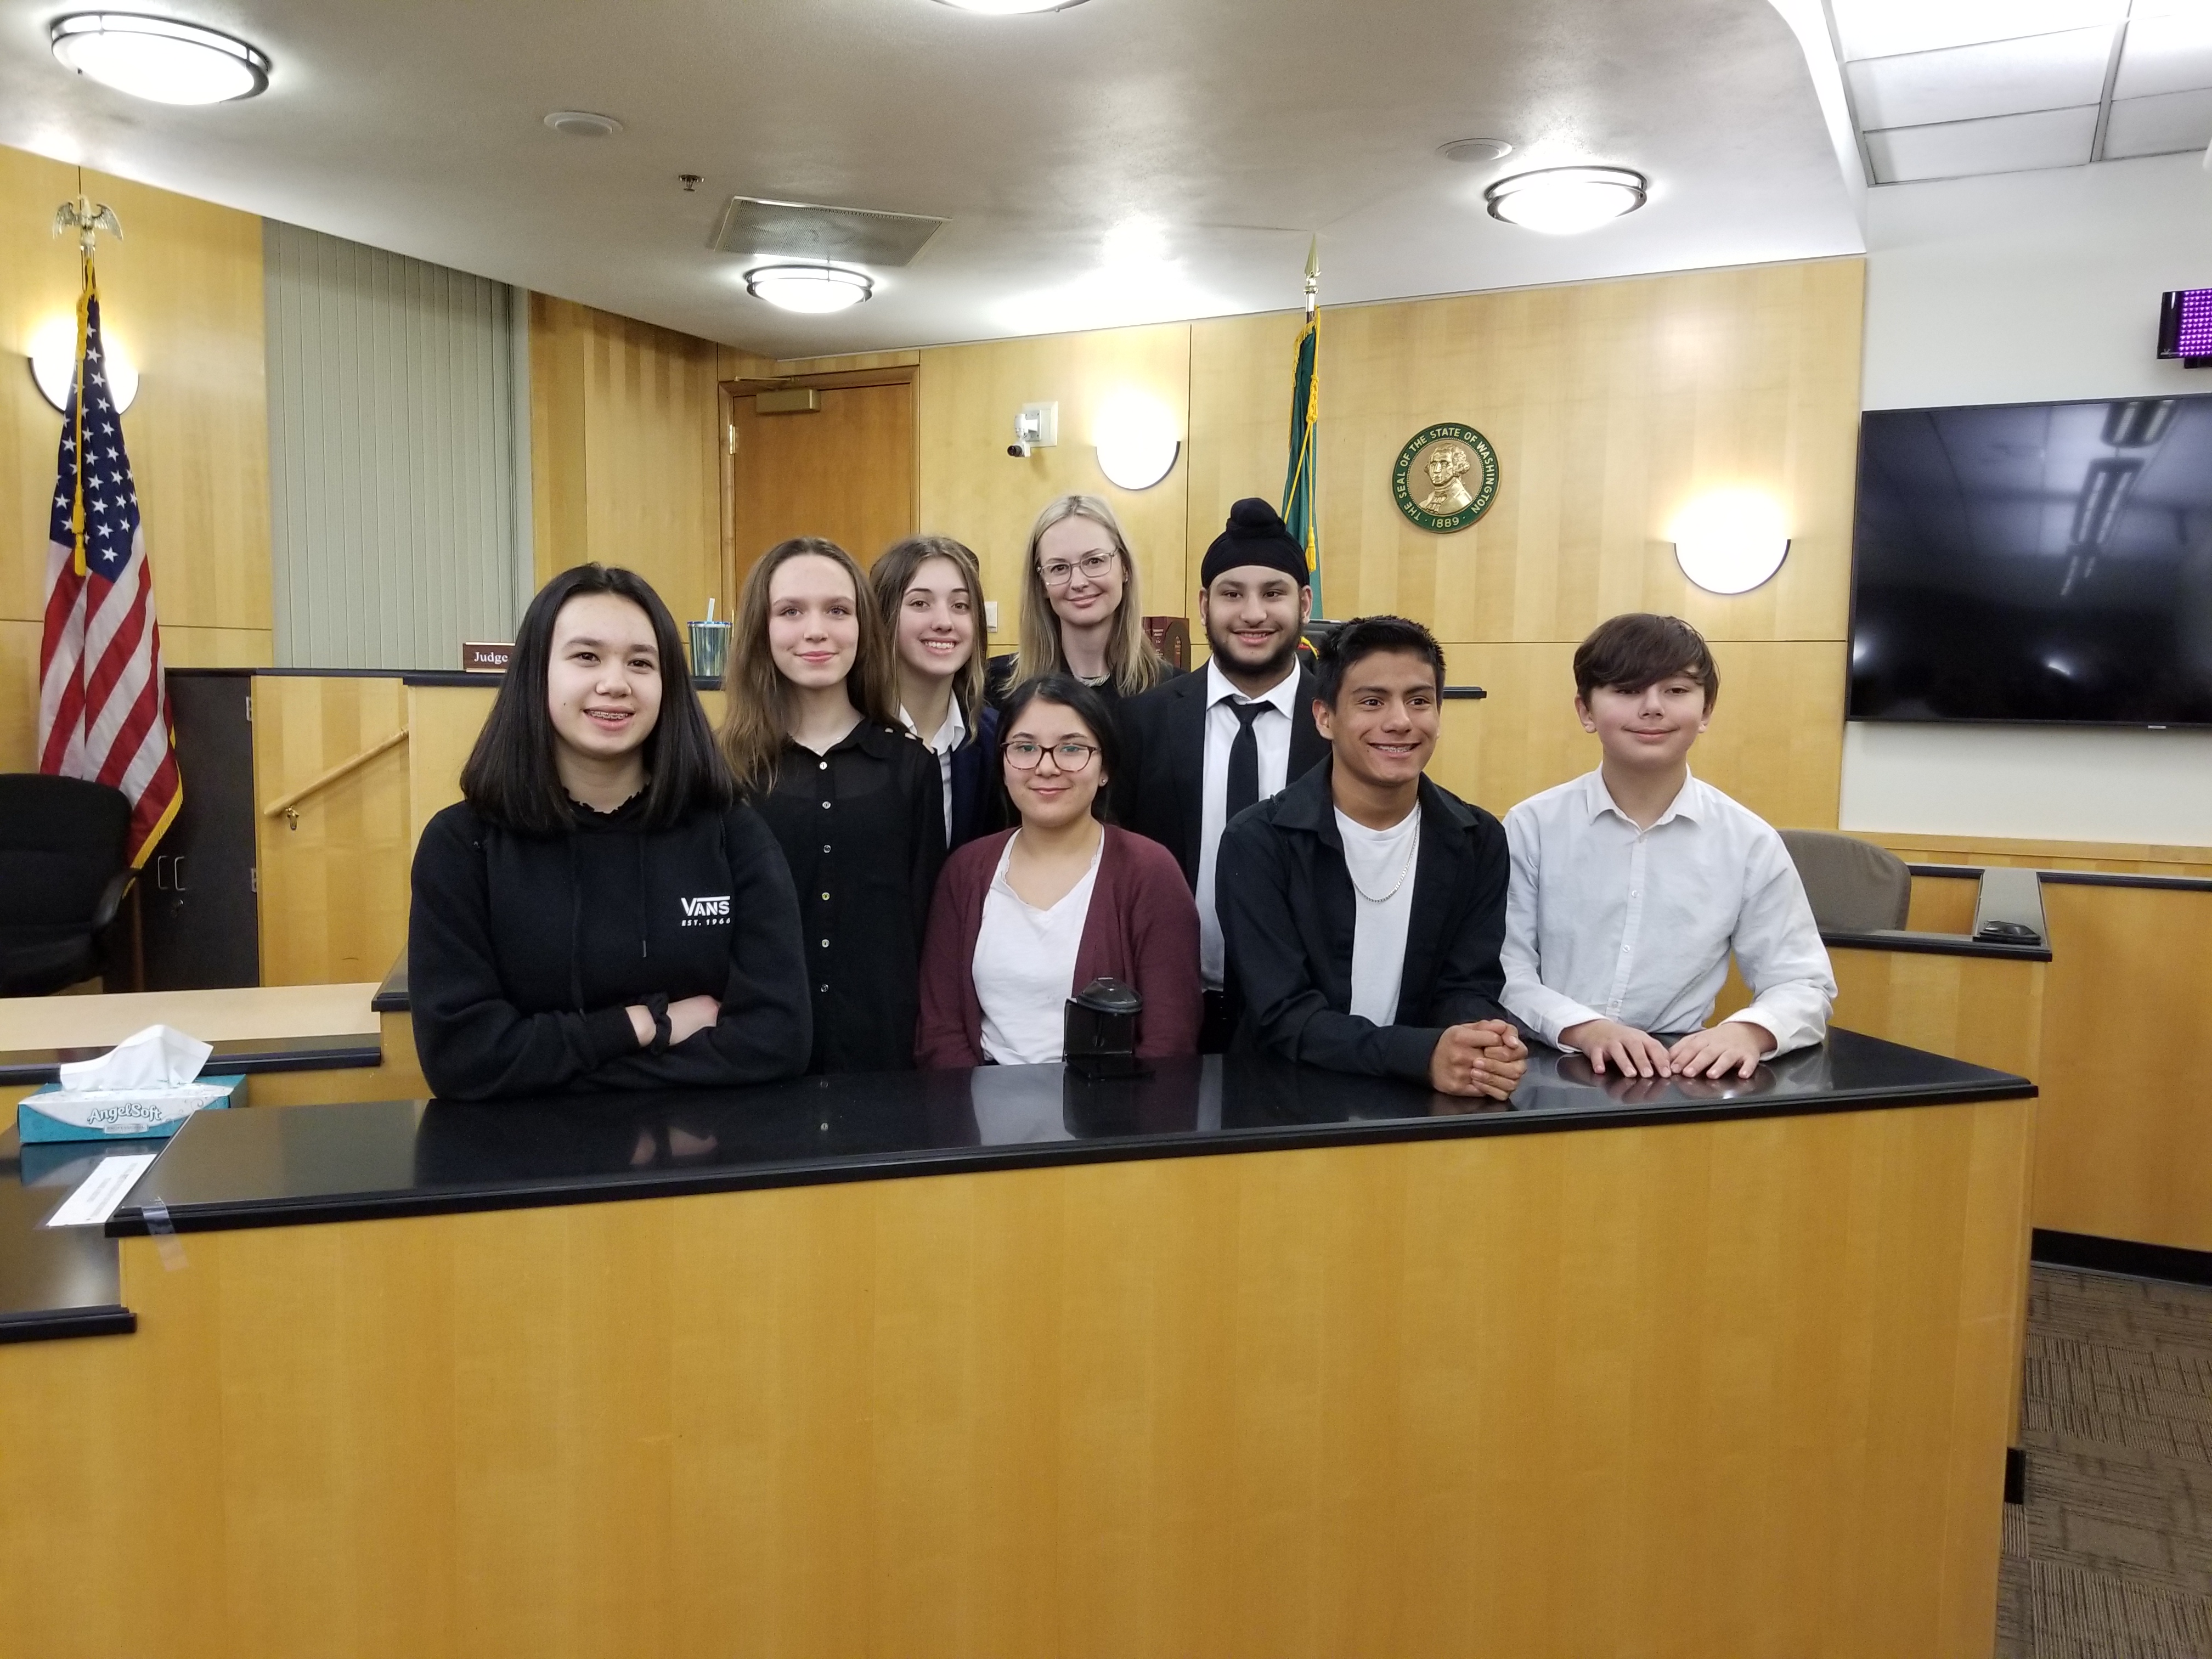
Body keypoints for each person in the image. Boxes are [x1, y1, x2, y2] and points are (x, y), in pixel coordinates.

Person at [409, 563, 811, 1101]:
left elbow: (778, 1041)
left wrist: (547, 1065)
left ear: (667, 684)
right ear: (537, 673)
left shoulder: (732, 832)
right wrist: (645, 1025)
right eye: (586, 657)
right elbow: (464, 1058)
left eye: (641, 663)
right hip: (523, 1165)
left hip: (704, 1166)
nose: (615, 684)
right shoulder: (463, 846)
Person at [1500, 612, 1835, 1080]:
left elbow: (1802, 981)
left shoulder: (1749, 840)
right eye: (1627, 690)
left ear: (1707, 710)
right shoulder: (1531, 825)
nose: (1652, 708)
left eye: (1676, 691)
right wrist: (1586, 1028)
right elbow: (1505, 970)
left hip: (1678, 1075)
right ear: (1585, 711)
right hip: (1544, 1064)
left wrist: (1748, 1032)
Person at [1217, 616, 1528, 1098]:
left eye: (1420, 701)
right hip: (1282, 1107)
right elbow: (1283, 1016)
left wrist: (1480, 1044)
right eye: (1372, 702)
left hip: (1424, 1102)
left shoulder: (1478, 838)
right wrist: (1421, 1054)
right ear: (1325, 718)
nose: (1400, 721)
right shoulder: (1258, 841)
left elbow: (1469, 985)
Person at [718, 537, 945, 1074]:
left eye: (837, 611)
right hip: (751, 1056)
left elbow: (925, 926)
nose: (815, 630)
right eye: (791, 611)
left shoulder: (911, 767)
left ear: (863, 627)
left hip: (883, 1058)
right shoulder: (723, 769)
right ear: (761, 629)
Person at [1116, 497, 1329, 1049]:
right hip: (1169, 1008)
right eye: (1233, 594)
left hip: (1311, 1013)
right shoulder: (1145, 721)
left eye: (1274, 593)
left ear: (1304, 603)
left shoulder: (1343, 726)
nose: (1254, 614)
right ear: (1205, 604)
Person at [916, 674, 1200, 1068]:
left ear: (1105, 769)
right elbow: (940, 1030)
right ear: (1002, 763)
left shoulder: (1151, 873)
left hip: (1109, 1120)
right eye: (1026, 747)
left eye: (1071, 748)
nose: (1046, 767)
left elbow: (1170, 1040)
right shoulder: (966, 872)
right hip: (980, 1116)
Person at [986, 494, 1176, 718]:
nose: (1078, 583)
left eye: (1095, 561)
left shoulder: (1174, 692)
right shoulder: (994, 687)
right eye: (1059, 568)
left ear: (1124, 567)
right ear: (1041, 585)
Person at [870, 533, 1002, 849]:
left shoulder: (995, 738)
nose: (944, 622)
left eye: (961, 605)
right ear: (883, 616)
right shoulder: (847, 737)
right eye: (920, 603)